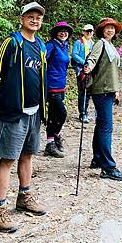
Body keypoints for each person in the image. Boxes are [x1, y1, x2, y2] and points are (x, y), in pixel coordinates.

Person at [0, 2, 47, 233]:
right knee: (8, 159)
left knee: (28, 155)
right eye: (30, 16)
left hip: (34, 111)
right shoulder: (12, 42)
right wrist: (7, 98)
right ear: (22, 18)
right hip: (14, 112)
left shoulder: (40, 45)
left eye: (38, 17)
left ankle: (24, 196)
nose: (34, 20)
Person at [83, 17, 122, 181]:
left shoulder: (111, 46)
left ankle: (97, 158)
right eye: (107, 28)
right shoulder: (100, 43)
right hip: (101, 90)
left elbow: (113, 70)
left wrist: (116, 90)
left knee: (101, 125)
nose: (110, 30)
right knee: (106, 127)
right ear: (102, 30)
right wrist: (88, 66)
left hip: (109, 90)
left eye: (112, 28)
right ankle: (108, 167)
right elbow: (92, 59)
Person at [44, 21, 73, 157]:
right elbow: (42, 63)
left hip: (60, 86)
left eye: (65, 31)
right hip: (51, 86)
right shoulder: (51, 46)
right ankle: (55, 137)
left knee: (54, 115)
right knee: (61, 114)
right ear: (55, 33)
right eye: (60, 30)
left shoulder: (64, 46)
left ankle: (51, 143)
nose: (63, 33)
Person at [72, 24, 94, 123]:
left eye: (90, 31)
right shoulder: (79, 42)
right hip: (81, 70)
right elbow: (74, 54)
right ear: (83, 32)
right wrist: (84, 62)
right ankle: (82, 113)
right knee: (82, 92)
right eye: (87, 31)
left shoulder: (93, 43)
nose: (89, 33)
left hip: (90, 70)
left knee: (88, 92)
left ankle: (85, 111)